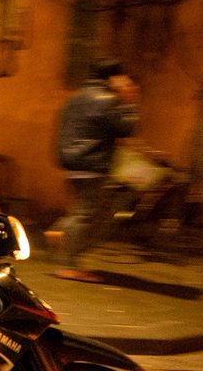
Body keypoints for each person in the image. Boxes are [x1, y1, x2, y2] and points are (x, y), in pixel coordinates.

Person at [52, 59, 140, 282]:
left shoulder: (76, 97)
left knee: (82, 211)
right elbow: (127, 129)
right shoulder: (107, 100)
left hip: (71, 161)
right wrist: (129, 101)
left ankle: (60, 234)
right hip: (91, 163)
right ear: (113, 78)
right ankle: (69, 264)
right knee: (86, 214)